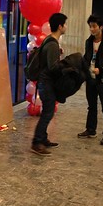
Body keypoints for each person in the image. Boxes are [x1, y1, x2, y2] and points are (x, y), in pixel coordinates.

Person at [78, 15, 103, 145]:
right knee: (91, 106)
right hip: (91, 79)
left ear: (100, 27)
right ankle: (91, 130)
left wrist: (101, 69)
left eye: (94, 26)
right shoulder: (89, 42)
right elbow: (86, 58)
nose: (92, 29)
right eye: (90, 26)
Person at [31, 12, 67, 156]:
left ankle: (43, 138)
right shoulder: (52, 44)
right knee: (47, 113)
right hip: (47, 84)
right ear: (60, 26)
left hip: (44, 82)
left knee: (48, 111)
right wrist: (65, 66)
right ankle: (37, 142)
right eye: (65, 24)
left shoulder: (49, 41)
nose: (66, 26)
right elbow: (53, 67)